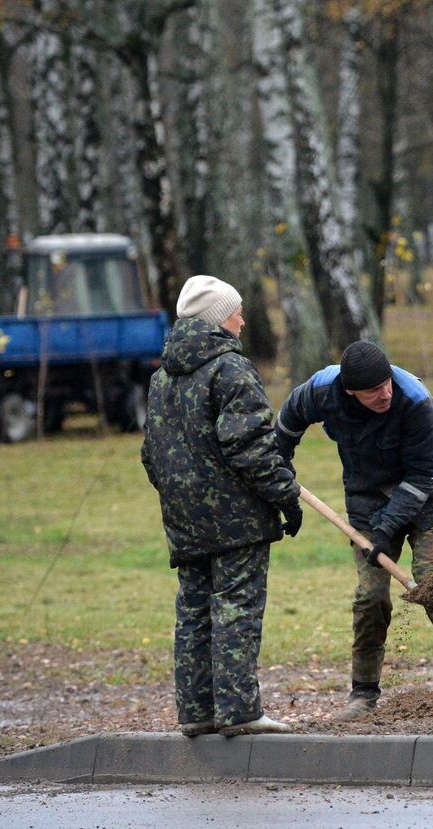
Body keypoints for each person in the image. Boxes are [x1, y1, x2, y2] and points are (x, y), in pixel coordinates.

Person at [276, 341, 433, 719]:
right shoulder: (321, 390)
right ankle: (363, 694)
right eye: (373, 390)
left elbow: (424, 474)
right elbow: (288, 421)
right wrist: (279, 464)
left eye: (386, 383)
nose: (384, 393)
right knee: (370, 597)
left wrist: (388, 529)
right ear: (350, 391)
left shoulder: (416, 400)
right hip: (367, 497)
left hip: (429, 497)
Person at [141, 275, 303, 737]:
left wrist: (182, 497)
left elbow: (152, 455)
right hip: (237, 522)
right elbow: (250, 446)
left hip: (185, 521)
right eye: (236, 311)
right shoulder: (230, 369)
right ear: (218, 320)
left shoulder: (160, 378)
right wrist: (286, 497)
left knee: (193, 612)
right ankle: (239, 713)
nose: (243, 318)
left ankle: (197, 712)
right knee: (236, 608)